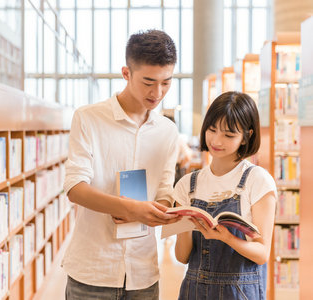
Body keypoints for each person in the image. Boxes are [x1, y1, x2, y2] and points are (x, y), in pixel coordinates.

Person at [63, 29, 180, 300]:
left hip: (143, 272)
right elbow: (74, 187)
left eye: (166, 82)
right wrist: (129, 207)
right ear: (126, 73)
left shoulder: (167, 131)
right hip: (93, 271)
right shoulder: (88, 118)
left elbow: (164, 191)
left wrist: (161, 210)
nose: (158, 92)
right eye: (148, 82)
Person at [173, 91, 277, 299]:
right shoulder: (187, 185)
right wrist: (184, 223)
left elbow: (262, 254)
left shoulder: (257, 180)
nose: (216, 141)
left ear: (246, 136)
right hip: (194, 290)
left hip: (239, 292)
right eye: (212, 130)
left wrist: (228, 238)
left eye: (229, 135)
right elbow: (182, 256)